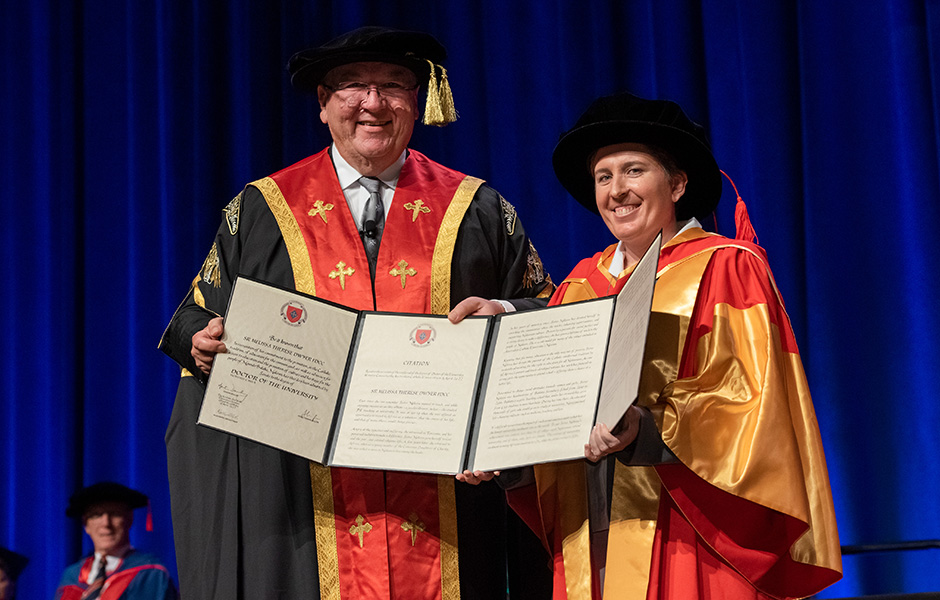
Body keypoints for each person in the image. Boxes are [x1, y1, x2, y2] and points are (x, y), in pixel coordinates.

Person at [159, 26, 554, 600]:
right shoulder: (263, 208)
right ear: (323, 104)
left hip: (451, 502)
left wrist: (504, 313)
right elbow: (196, 312)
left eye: (394, 86)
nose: (373, 103)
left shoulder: (480, 208)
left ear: (418, 103)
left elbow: (546, 309)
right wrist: (201, 340)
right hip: (303, 499)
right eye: (352, 86)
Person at [486, 92, 842, 599]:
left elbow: (753, 406)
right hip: (592, 529)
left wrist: (647, 429)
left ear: (676, 185)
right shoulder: (580, 284)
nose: (616, 191)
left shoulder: (726, 265)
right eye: (603, 176)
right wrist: (503, 448)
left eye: (633, 170)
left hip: (691, 531)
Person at [54, 482, 177, 600]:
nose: (106, 523)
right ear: (86, 524)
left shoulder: (149, 574)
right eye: (97, 515)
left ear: (129, 519)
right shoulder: (72, 575)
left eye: (114, 514)